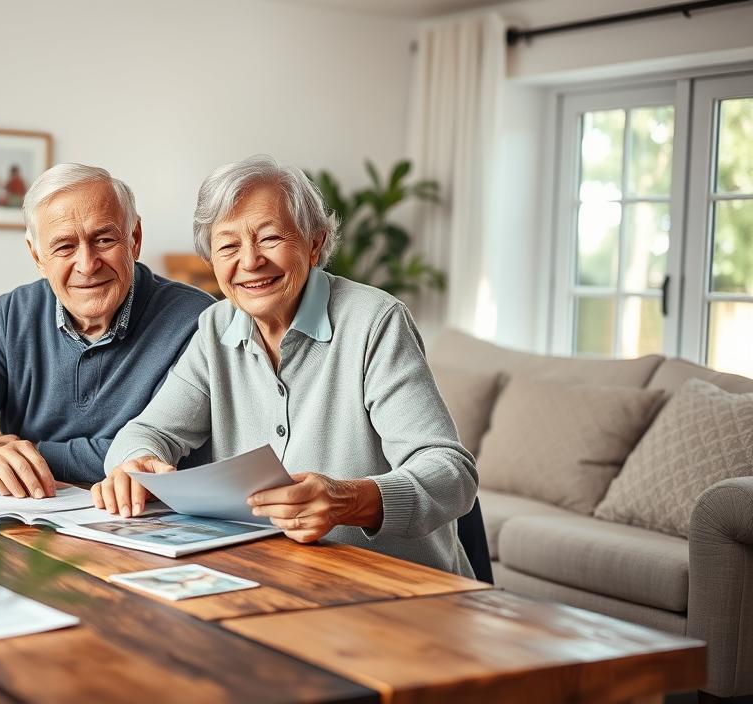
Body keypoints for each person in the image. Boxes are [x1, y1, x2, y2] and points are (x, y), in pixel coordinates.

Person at [94, 155, 485, 578]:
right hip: (275, 578)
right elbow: (147, 432)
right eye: (228, 245)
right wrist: (136, 462)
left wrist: (349, 499)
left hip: (397, 585)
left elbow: (451, 473)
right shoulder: (217, 326)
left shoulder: (374, 321)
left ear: (314, 243)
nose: (250, 261)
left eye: (270, 238)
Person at [0, 163, 215, 496]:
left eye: (104, 240)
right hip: (33, 524)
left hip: (151, 523)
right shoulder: (13, 314)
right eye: (64, 247)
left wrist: (30, 453)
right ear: (37, 255)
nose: (88, 264)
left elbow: (166, 455)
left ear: (134, 239)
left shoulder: (195, 319)